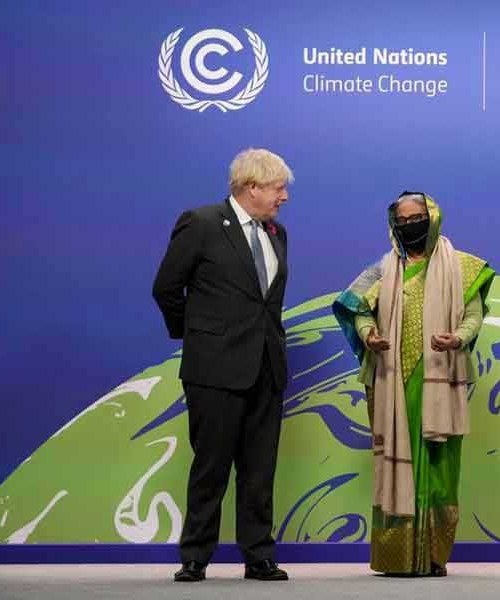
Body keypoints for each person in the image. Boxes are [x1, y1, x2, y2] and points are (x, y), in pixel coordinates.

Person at [332, 192, 495, 576]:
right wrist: (370, 334)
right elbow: (358, 310)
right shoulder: (382, 271)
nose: (410, 225)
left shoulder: (463, 267)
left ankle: (434, 556)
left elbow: (473, 316)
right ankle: (397, 557)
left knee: (438, 471)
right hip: (391, 384)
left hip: (438, 379)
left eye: (417, 217)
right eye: (402, 220)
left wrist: (458, 338)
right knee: (394, 470)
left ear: (433, 217)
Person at [152, 148, 293, 582]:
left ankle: (258, 555)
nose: (284, 197)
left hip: (266, 369)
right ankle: (195, 556)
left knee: (259, 469)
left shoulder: (276, 233)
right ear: (251, 187)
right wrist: (199, 338)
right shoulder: (201, 223)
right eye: (277, 188)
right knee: (210, 466)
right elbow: (167, 288)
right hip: (214, 370)